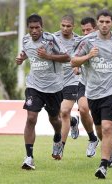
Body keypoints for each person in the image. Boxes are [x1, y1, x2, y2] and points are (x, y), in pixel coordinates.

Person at [71, 10, 112, 179]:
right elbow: (73, 61)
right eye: (101, 22)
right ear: (97, 23)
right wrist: (89, 55)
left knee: (107, 127)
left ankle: (103, 166)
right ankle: (109, 150)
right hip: (93, 91)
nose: (104, 25)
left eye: (107, 22)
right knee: (99, 130)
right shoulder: (87, 41)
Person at [16, 14, 69, 170]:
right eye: (31, 28)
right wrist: (21, 58)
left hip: (54, 87)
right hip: (34, 85)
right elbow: (27, 52)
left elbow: (67, 57)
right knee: (31, 118)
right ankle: (29, 157)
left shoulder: (51, 39)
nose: (34, 31)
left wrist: (48, 56)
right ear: (28, 28)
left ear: (42, 27)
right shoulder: (25, 40)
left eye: (37, 27)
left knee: (54, 119)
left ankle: (58, 136)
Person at [53, 15, 80, 157]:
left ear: (73, 27)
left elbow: (85, 57)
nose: (65, 28)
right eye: (63, 25)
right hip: (55, 82)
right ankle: (74, 121)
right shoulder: (53, 38)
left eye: (68, 26)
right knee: (56, 114)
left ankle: (60, 147)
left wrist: (79, 67)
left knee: (64, 111)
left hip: (72, 81)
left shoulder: (79, 41)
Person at [75, 16, 99, 158]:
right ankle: (92, 139)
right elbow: (75, 59)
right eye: (83, 30)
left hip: (104, 86)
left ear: (95, 29)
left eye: (88, 30)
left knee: (103, 124)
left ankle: (109, 149)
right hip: (85, 83)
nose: (85, 33)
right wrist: (77, 66)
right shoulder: (82, 43)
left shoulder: (107, 42)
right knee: (83, 109)